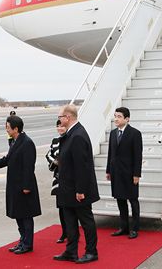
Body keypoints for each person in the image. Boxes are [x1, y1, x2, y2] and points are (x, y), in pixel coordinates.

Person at [54, 105, 99, 264]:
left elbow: (82, 166)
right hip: (67, 189)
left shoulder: (78, 135)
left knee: (86, 221)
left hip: (78, 190)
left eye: (60, 116)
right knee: (70, 221)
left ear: (67, 117)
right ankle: (71, 251)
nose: (59, 120)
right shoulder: (71, 133)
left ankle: (91, 251)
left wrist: (80, 190)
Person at [0, 115, 41, 255]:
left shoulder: (27, 143)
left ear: (16, 128)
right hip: (14, 185)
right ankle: (22, 240)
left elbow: (29, 167)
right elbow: (7, 159)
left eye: (7, 127)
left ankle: (27, 244)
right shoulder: (15, 141)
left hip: (24, 187)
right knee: (18, 214)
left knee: (26, 216)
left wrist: (26, 186)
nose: (6, 129)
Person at [106, 107, 143, 239]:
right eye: (115, 116)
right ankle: (123, 227)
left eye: (119, 116)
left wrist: (136, 174)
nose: (116, 119)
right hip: (116, 172)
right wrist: (108, 170)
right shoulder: (113, 133)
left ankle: (135, 228)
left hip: (129, 173)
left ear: (127, 119)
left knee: (133, 200)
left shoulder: (135, 133)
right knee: (120, 200)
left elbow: (138, 156)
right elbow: (111, 153)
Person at [45, 120, 68, 243]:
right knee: (61, 207)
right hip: (58, 177)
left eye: (62, 126)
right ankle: (64, 232)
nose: (60, 128)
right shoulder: (55, 141)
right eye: (58, 126)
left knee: (69, 207)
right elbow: (48, 155)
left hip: (68, 179)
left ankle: (72, 232)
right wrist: (54, 161)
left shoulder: (70, 138)